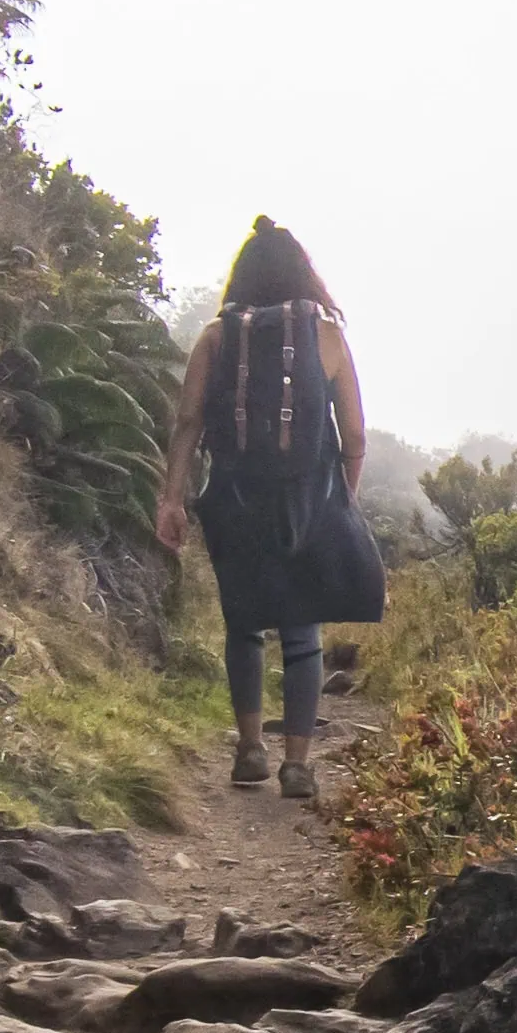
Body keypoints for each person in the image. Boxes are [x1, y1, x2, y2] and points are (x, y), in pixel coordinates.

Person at [155, 218, 367, 800]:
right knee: (303, 634)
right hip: (308, 500)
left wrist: (172, 498)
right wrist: (341, 504)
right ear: (303, 274)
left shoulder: (215, 338)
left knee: (244, 626)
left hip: (235, 497)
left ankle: (250, 750)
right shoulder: (326, 337)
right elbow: (353, 434)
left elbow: (188, 424)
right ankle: (297, 764)